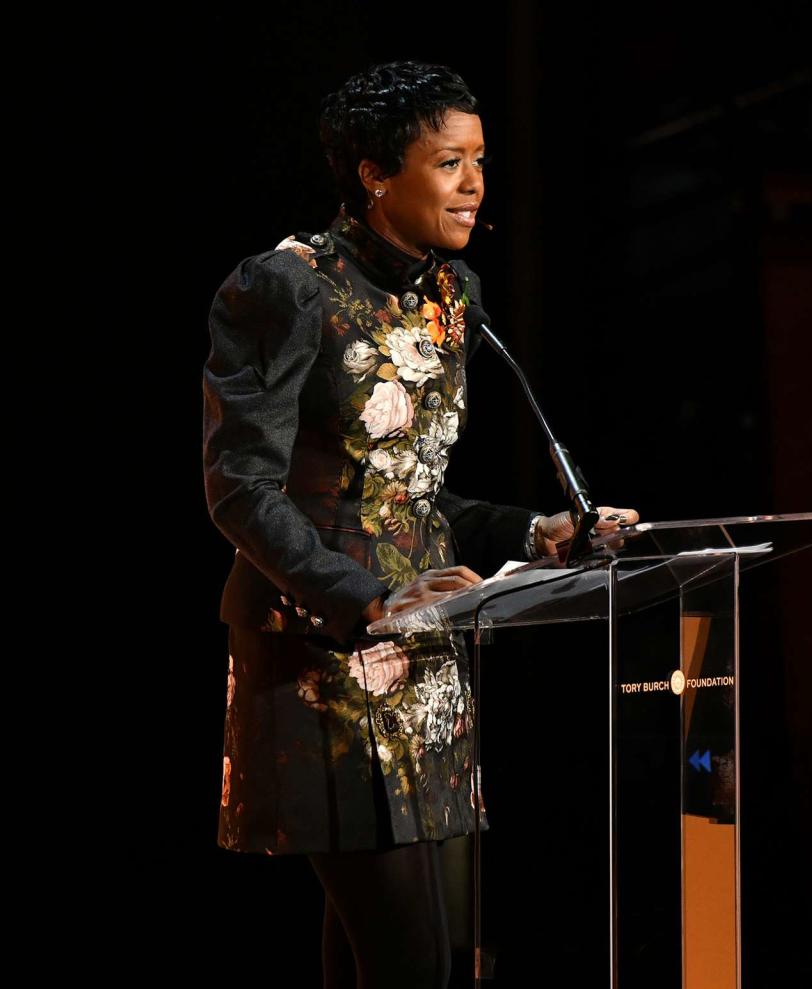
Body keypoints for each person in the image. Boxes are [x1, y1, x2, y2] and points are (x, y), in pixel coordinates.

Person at [201, 60, 639, 989]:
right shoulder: (288, 288)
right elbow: (241, 487)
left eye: (480, 160)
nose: (475, 182)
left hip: (430, 653)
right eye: (449, 161)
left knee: (407, 956)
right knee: (409, 963)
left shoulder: (451, 297)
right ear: (373, 172)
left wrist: (535, 532)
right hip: (323, 647)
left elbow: (402, 491)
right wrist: (367, 599)